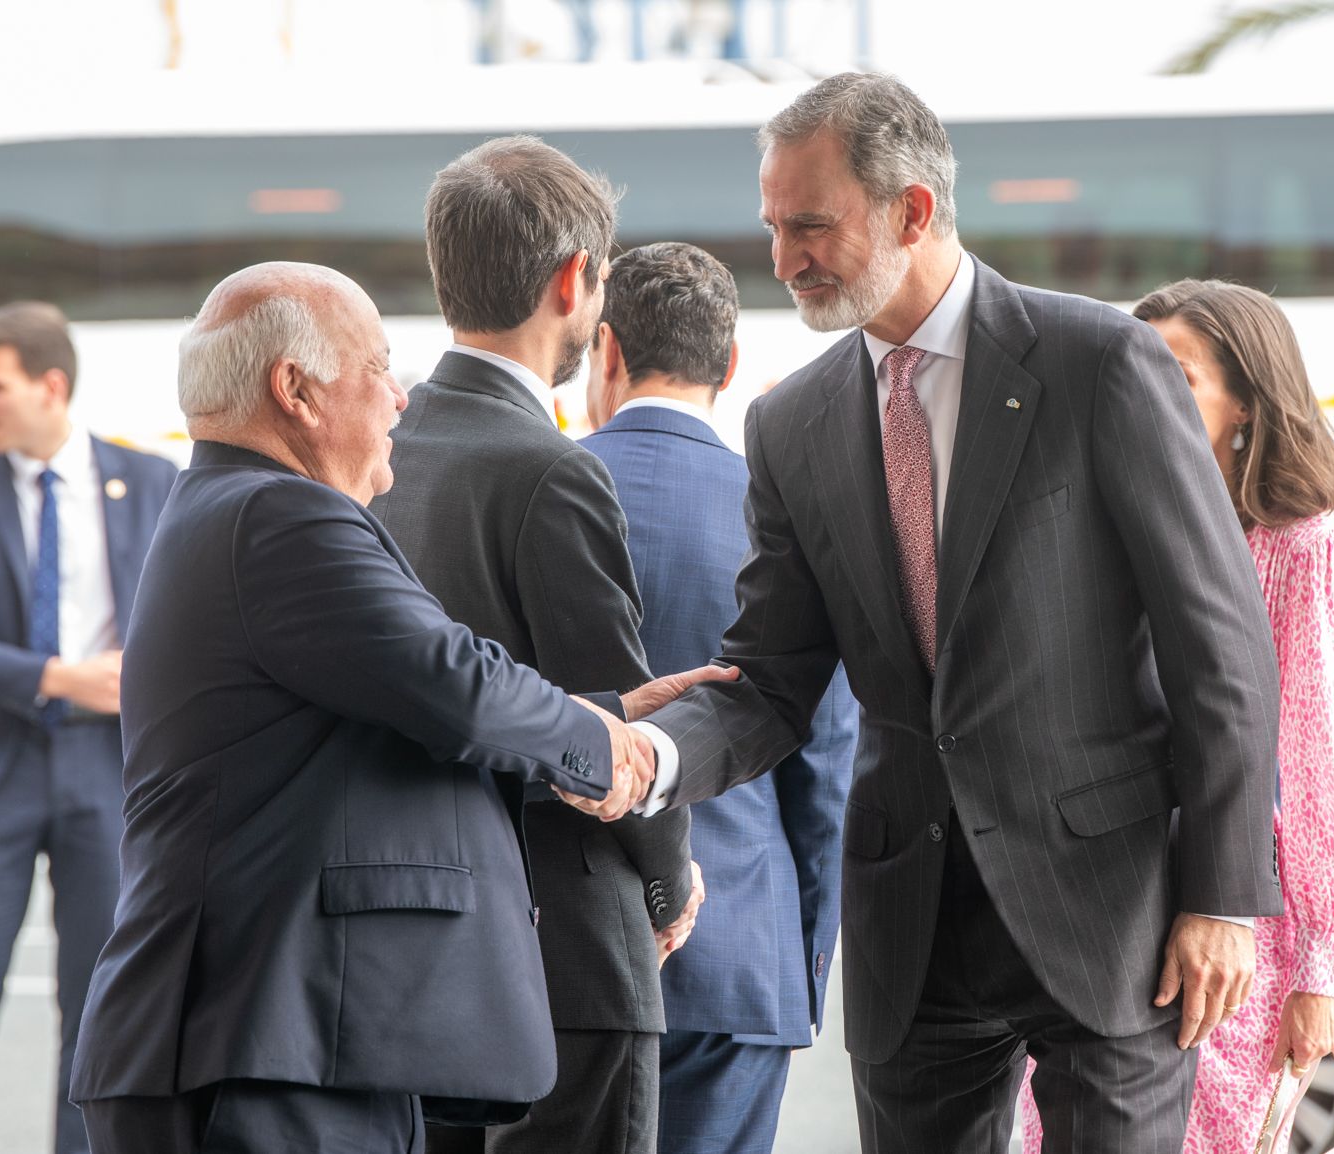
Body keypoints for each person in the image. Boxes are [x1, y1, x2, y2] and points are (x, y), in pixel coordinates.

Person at [623, 73, 1285, 1153]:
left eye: (811, 225)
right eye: (772, 226)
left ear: (913, 210)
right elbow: (773, 679)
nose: (783, 259)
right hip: (912, 922)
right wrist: (647, 751)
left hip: (1110, 913)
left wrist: (1223, 896)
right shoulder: (791, 424)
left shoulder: (1101, 364)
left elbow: (1222, 646)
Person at [68, 261, 727, 1154]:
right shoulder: (281, 518)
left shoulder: (237, 510)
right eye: (377, 367)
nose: (400, 399)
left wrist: (598, 709)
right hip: (260, 1047)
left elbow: (398, 715)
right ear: (295, 391)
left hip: (281, 1043)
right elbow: (454, 680)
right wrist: (611, 746)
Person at [368, 137, 700, 1154]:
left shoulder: (384, 445)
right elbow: (606, 713)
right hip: (563, 948)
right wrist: (668, 874)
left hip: (412, 943)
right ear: (573, 279)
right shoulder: (550, 468)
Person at [1018, 279, 1334, 1152]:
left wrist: (1317, 973)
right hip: (1093, 908)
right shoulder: (1097, 529)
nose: (1143, 398)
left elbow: (1317, 765)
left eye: (1173, 376)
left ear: (1246, 402)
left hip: (1234, 929)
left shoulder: (1301, 546)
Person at [581, 242, 859, 1154]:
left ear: (605, 349)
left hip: (561, 951)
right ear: (731, 365)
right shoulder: (784, 510)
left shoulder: (535, 491)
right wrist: (799, 954)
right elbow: (823, 767)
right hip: (741, 946)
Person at [0, 302, 177, 1154]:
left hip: (107, 777)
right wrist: (58, 678)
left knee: (95, 1009)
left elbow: (182, 617)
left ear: (48, 385)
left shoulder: (151, 483)